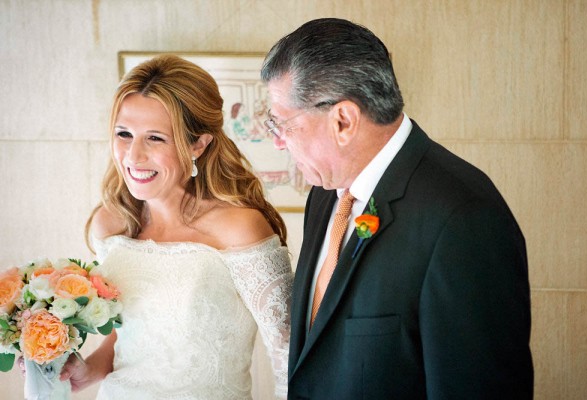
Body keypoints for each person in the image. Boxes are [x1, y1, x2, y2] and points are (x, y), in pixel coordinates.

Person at [260, 18, 533, 399]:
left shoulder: (464, 218)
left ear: (343, 120)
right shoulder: (325, 194)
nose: (278, 142)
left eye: (283, 124)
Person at [59, 54, 293, 399]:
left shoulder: (240, 228)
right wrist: (85, 371)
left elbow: (289, 353)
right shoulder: (112, 223)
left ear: (198, 143)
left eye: (155, 138)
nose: (133, 156)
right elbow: (129, 333)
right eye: (124, 133)